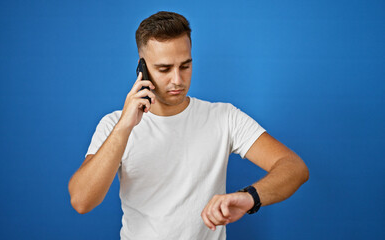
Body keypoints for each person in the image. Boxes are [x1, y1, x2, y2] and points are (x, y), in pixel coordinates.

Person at [68, 11, 309, 240]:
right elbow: (81, 200)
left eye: (185, 66)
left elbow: (294, 168)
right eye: (164, 69)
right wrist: (125, 127)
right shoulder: (114, 124)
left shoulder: (224, 117)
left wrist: (249, 197)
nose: (177, 80)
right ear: (142, 69)